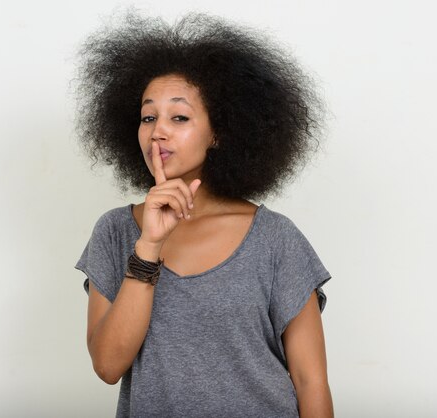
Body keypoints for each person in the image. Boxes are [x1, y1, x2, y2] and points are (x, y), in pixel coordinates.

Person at [74, 12, 333, 418]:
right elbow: (108, 366)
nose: (158, 131)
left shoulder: (274, 238)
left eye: (179, 117)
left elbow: (310, 380)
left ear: (218, 132)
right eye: (148, 117)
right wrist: (149, 245)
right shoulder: (115, 231)